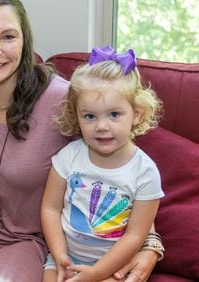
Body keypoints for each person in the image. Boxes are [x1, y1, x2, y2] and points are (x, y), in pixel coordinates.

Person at [0, 1, 164, 282]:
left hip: (31, 245)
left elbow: (121, 165)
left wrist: (150, 244)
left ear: (25, 42)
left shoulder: (65, 100)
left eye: (8, 36)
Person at [41, 46, 164, 282]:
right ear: (76, 116)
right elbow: (50, 208)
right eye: (90, 116)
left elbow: (135, 236)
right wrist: (60, 256)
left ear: (136, 114)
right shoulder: (67, 157)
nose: (102, 126)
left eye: (114, 114)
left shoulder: (146, 173)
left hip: (113, 266)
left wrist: (97, 273)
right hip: (64, 258)